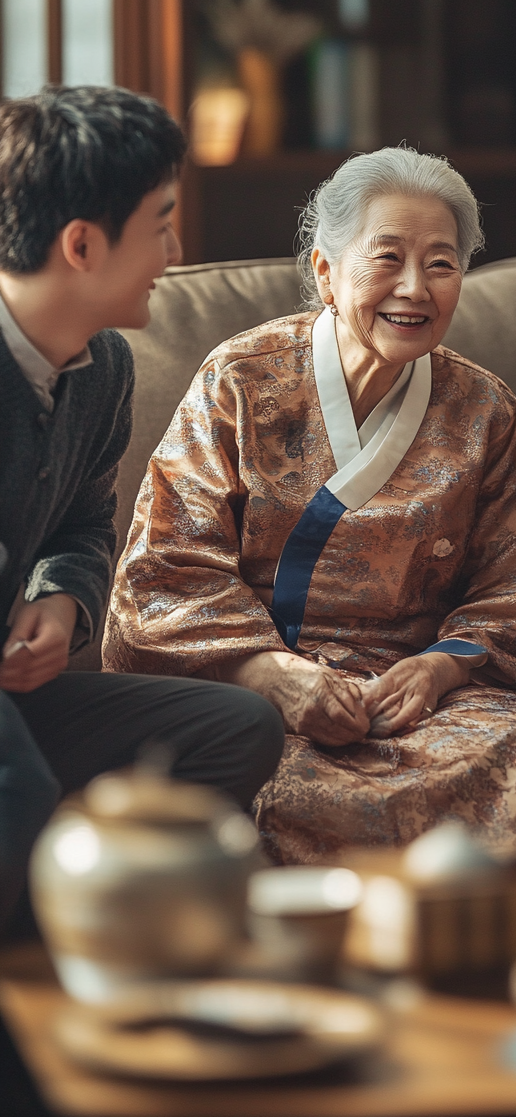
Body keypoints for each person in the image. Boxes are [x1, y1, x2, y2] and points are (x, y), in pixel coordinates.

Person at [104, 148, 516, 863]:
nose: (414, 288)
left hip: (414, 692)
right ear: (326, 272)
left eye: (441, 263)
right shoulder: (241, 379)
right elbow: (165, 566)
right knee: (253, 763)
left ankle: (494, 962)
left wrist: (437, 670)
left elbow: (511, 586)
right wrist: (272, 674)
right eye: (387, 258)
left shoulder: (486, 409)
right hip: (251, 680)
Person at [0, 86, 284, 932]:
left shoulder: (105, 369)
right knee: (19, 785)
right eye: (160, 223)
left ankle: (107, 941)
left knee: (238, 728)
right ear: (81, 244)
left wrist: (63, 599)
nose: (176, 248)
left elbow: (86, 523)